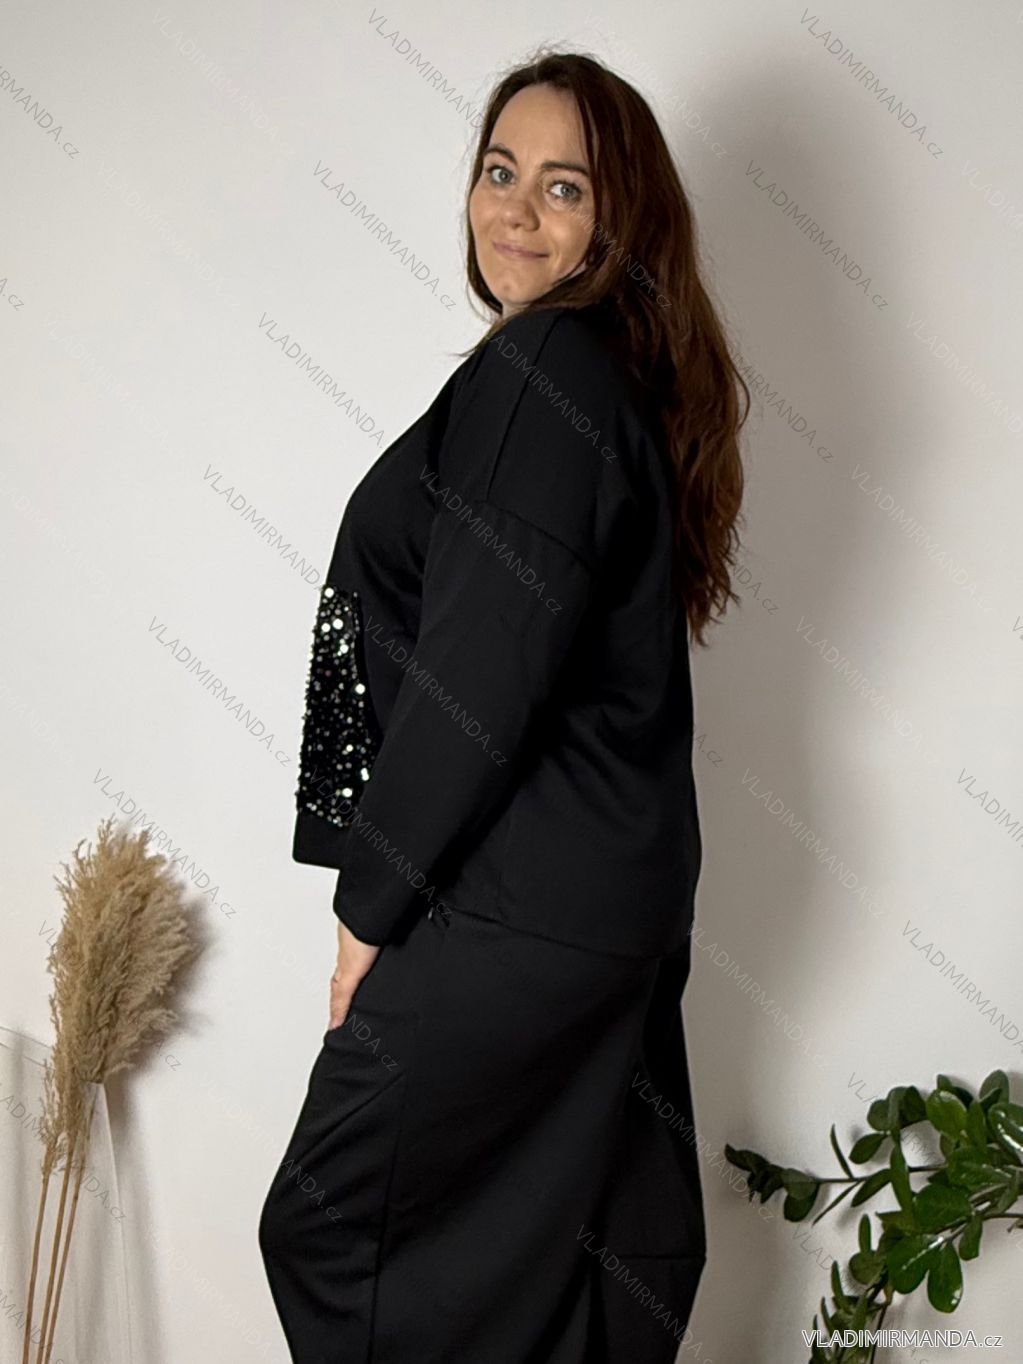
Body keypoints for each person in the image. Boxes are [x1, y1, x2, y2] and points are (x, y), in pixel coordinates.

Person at [258, 47, 748, 1364]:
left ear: (620, 222)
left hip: (513, 897)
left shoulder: (545, 370)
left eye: (564, 186)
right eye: (498, 170)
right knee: (593, 1259)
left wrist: (369, 910)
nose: (516, 209)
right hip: (610, 900)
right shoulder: (596, 381)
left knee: (333, 1233)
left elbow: (481, 666)